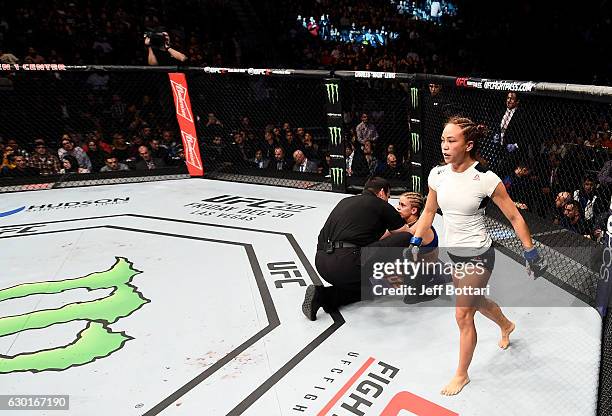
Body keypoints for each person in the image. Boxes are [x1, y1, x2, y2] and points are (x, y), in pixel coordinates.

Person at [411, 116, 547, 396]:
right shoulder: (437, 174)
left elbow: (514, 217)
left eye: (452, 141)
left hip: (479, 255)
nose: (445, 146)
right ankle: (507, 325)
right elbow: (427, 211)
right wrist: (415, 239)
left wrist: (530, 251)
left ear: (468, 144)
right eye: (442, 140)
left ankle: (461, 374)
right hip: (454, 254)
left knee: (463, 314)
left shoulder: (485, 179)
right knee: (477, 302)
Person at [302, 177, 406, 321]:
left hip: (322, 262)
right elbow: (404, 232)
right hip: (346, 263)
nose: (388, 201)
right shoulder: (380, 204)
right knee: (406, 238)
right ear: (382, 192)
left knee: (368, 287)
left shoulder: (345, 201)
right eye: (388, 197)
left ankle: (323, 296)